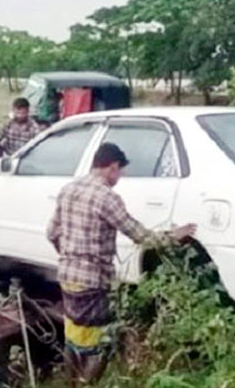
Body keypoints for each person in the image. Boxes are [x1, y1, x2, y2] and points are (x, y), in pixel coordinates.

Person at [47, 142, 196, 385]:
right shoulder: (108, 197)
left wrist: (69, 256)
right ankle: (88, 384)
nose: (120, 176)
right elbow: (140, 236)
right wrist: (173, 236)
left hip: (67, 277)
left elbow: (51, 232)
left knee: (74, 335)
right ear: (112, 168)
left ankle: (71, 382)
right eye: (120, 171)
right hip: (93, 282)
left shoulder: (68, 189)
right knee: (100, 342)